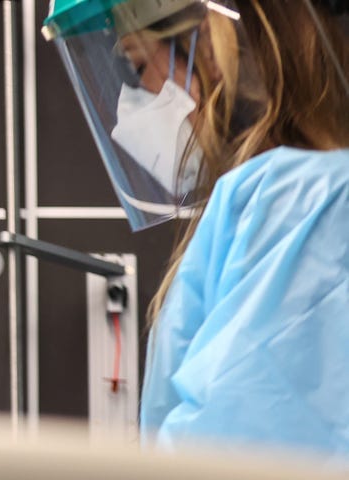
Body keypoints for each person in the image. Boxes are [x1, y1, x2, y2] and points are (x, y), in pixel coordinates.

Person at [43, 0, 349, 461]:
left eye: (139, 65)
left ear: (210, 42)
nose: (134, 101)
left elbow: (238, 441)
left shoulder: (303, 205)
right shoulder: (276, 202)